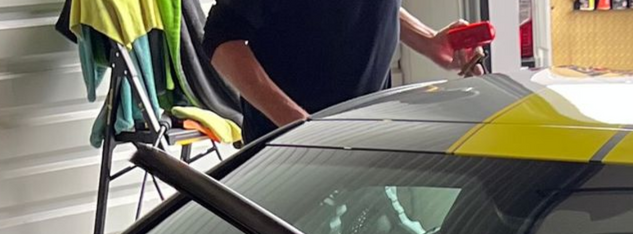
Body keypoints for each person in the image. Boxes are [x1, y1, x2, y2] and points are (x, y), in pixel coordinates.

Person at [203, 1, 483, 142]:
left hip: (366, 137)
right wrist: (302, 125)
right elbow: (221, 39)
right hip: (293, 154)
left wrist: (429, 41)